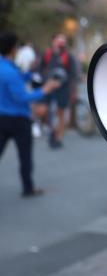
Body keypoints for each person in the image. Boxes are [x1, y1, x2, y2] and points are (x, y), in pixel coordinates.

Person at [0, 31, 61, 197]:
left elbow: (17, 78)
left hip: (2, 118)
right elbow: (22, 97)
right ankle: (28, 188)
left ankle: (28, 187)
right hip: (18, 120)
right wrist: (45, 89)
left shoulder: (5, 67)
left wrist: (30, 72)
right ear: (13, 49)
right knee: (25, 158)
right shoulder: (10, 72)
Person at [36, 33, 78, 148]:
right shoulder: (47, 54)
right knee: (42, 110)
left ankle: (58, 138)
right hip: (48, 87)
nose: (60, 43)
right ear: (53, 41)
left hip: (62, 89)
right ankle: (50, 129)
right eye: (58, 41)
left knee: (61, 114)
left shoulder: (68, 56)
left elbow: (73, 74)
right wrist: (46, 80)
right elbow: (39, 69)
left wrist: (68, 87)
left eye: (63, 41)